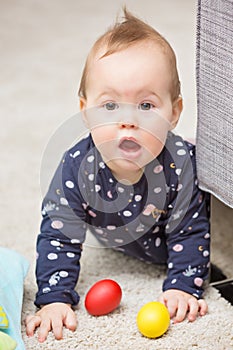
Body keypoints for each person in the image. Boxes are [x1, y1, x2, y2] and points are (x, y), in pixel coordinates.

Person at [26, 8, 210, 342]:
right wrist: (53, 298)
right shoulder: (77, 167)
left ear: (174, 112)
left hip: (164, 234)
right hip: (122, 232)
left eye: (146, 106)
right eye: (110, 106)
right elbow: (59, 235)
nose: (128, 120)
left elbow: (190, 231)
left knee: (203, 172)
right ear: (86, 112)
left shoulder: (179, 164)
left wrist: (184, 286)